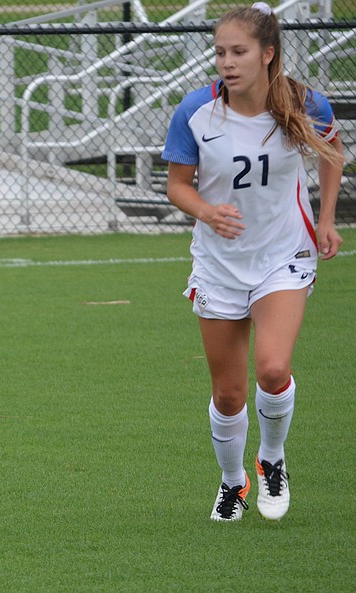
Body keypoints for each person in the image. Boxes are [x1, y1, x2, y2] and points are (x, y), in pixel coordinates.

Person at [161, 1, 345, 522]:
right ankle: (232, 481)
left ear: (267, 54)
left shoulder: (304, 103)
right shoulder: (196, 111)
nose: (227, 61)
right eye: (220, 52)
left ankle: (272, 459)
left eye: (238, 51)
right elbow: (178, 186)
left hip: (282, 255)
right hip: (219, 264)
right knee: (227, 392)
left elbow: (334, 154)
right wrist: (207, 212)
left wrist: (327, 219)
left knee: (272, 368)